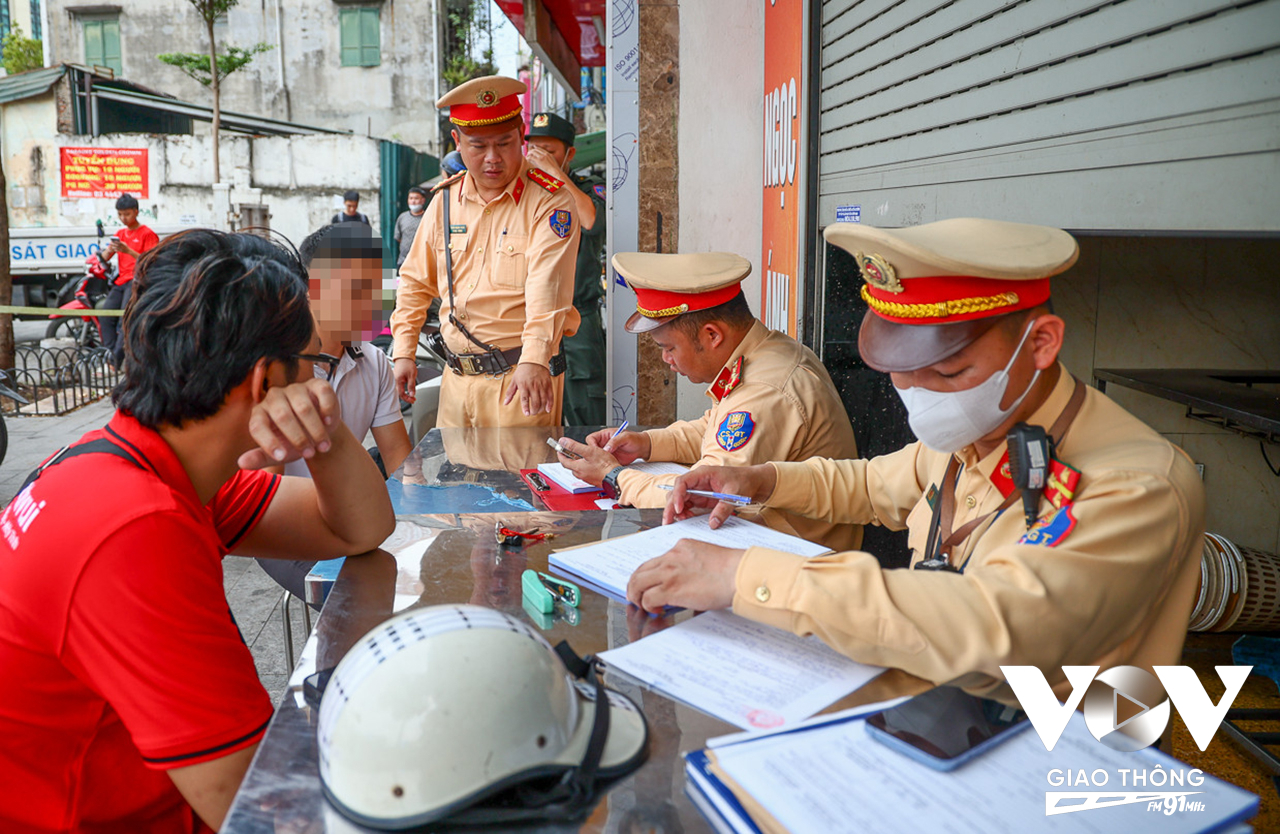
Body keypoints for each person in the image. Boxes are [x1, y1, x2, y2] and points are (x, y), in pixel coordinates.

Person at [631, 218, 1205, 705]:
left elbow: (993, 624)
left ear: (1041, 343)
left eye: (948, 372)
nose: (923, 398)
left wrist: (744, 576)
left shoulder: (1134, 485)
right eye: (901, 376)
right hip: (934, 718)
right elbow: (872, 484)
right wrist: (759, 478)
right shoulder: (980, 428)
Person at [0, 229, 395, 831]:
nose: (319, 381)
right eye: (312, 365)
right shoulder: (133, 529)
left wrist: (325, 430)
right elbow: (263, 809)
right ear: (267, 383)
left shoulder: (143, 462)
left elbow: (360, 530)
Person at [554, 252, 861, 552]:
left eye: (669, 347)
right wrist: (646, 443)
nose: (666, 360)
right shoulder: (763, 352)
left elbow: (699, 494)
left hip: (796, 566)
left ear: (712, 335)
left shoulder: (764, 389)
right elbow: (715, 429)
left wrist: (614, 476)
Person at [390, 75, 581, 428]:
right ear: (457, 142)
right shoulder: (444, 202)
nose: (493, 158)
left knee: (514, 483)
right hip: (456, 381)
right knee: (455, 481)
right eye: (478, 146)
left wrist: (536, 359)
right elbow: (415, 281)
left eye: (505, 144)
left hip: (521, 381)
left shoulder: (551, 201)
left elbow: (548, 289)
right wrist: (403, 350)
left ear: (521, 133)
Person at [255, 223, 414, 602]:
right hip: (281, 521)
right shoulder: (276, 365)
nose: (371, 303)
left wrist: (420, 526)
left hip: (346, 506)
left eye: (375, 288)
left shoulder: (374, 362)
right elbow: (263, 497)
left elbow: (399, 459)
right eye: (355, 289)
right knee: (357, 595)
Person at [524, 112, 608, 425]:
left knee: (586, 407)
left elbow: (591, 221)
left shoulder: (585, 187)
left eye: (550, 151)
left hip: (578, 317)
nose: (540, 157)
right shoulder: (522, 192)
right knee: (535, 410)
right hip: (532, 318)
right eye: (535, 150)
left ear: (569, 154)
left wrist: (554, 175)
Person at [98, 192, 160, 366]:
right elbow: (104, 257)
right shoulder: (120, 233)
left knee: (123, 320)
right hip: (121, 281)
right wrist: (109, 250)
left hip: (138, 281)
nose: (123, 218)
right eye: (120, 215)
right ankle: (112, 355)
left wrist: (128, 251)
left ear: (136, 212)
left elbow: (152, 261)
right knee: (105, 316)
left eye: (127, 214)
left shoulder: (147, 234)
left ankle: (117, 360)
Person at [394, 186, 428, 268]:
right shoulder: (402, 217)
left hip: (422, 262)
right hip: (404, 261)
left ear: (423, 200)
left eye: (416, 198)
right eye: (411, 198)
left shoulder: (428, 217)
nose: (413, 201)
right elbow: (398, 237)